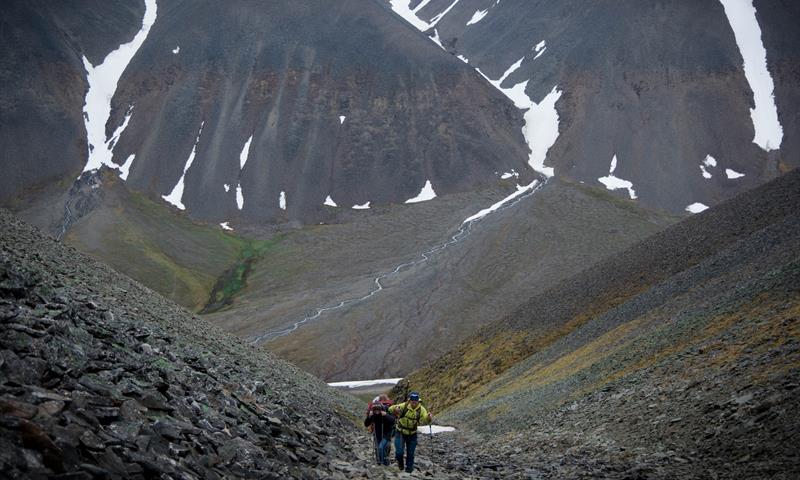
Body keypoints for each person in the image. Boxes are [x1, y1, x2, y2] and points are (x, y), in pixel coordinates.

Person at [388, 392, 432, 473]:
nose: (414, 402)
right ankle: (400, 464)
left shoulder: (421, 409)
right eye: (412, 400)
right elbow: (390, 409)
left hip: (412, 434)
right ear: (409, 400)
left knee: (410, 453)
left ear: (418, 401)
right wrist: (395, 409)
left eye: (415, 401)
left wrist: (429, 417)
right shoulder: (403, 406)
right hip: (400, 432)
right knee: (399, 452)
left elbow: (426, 419)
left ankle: (409, 470)